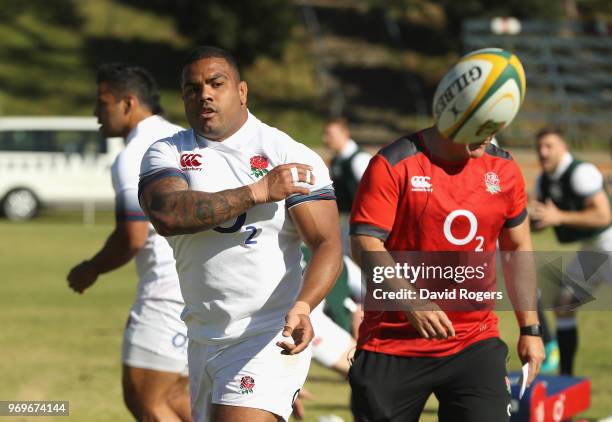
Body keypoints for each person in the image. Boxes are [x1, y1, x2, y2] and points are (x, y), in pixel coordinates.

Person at [137, 46, 343, 422]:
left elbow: (327, 243)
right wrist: (257, 192)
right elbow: (168, 214)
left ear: (242, 91)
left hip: (267, 335)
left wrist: (303, 305)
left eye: (217, 83)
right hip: (202, 336)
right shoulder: (166, 152)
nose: (205, 95)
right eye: (192, 89)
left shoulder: (289, 155)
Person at [348, 126, 545, 419]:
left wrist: (530, 328)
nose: (488, 135)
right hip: (393, 343)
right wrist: (410, 300)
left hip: (474, 341)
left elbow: (517, 248)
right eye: (480, 124)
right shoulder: (393, 163)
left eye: (495, 125)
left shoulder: (504, 169)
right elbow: (363, 243)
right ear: (451, 116)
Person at [66, 64, 189, 421]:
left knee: (146, 399)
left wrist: (91, 268)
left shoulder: (134, 155)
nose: (95, 113)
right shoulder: (183, 137)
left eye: (102, 103)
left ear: (128, 103)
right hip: (200, 286)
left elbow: (132, 237)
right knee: (177, 396)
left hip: (166, 293)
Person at [531, 127, 612, 376]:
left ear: (564, 147)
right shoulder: (542, 180)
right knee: (564, 304)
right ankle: (566, 380)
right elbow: (542, 221)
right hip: (591, 250)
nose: (543, 152)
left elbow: (603, 215)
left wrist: (559, 216)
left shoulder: (581, 173)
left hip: (609, 243)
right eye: (540, 147)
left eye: (549, 146)